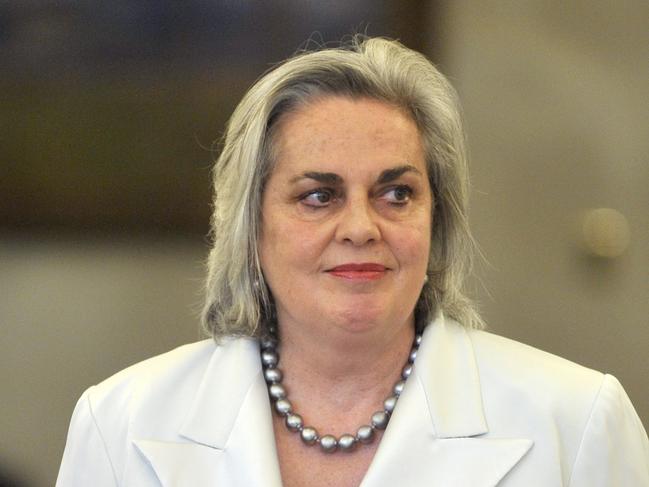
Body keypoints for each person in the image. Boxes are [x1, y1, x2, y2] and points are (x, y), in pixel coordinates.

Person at [57, 36, 649, 486]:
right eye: (319, 195)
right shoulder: (121, 423)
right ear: (250, 226)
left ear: (436, 217)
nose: (363, 229)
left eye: (397, 194)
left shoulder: (578, 421)